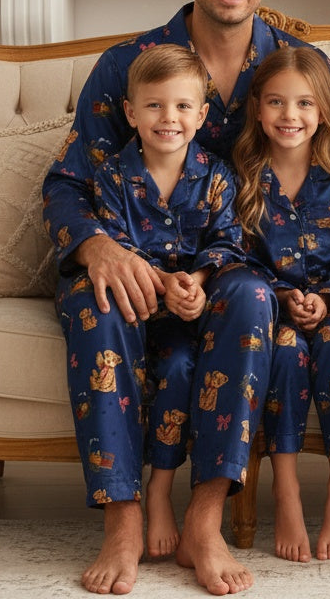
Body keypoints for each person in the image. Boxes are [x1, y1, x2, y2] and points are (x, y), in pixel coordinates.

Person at [44, 0, 318, 596]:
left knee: (254, 298)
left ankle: (204, 517)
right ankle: (125, 520)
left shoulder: (295, 70)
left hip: (225, 266)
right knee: (99, 299)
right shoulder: (126, 66)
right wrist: (98, 248)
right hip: (125, 254)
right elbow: (69, 183)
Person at [92, 45, 242, 560]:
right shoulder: (112, 177)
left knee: (180, 368)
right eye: (154, 106)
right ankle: (132, 507)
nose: (168, 119)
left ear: (202, 116)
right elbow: (115, 244)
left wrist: (197, 278)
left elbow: (228, 239)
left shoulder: (217, 176)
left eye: (182, 107)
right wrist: (161, 279)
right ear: (131, 113)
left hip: (187, 318)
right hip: (136, 310)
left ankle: (160, 489)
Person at [232, 47, 330, 563]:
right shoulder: (241, 178)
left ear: (324, 111)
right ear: (258, 109)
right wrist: (284, 296)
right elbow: (232, 255)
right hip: (273, 315)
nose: (290, 116)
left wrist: (327, 296)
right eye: (277, 103)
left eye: (305, 103)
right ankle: (284, 487)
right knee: (287, 353)